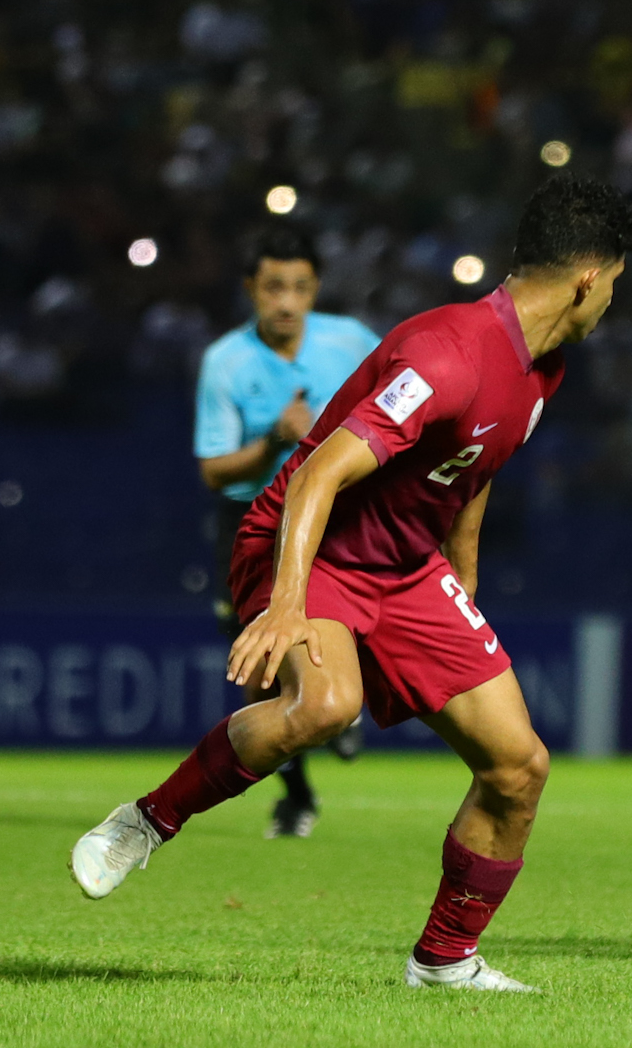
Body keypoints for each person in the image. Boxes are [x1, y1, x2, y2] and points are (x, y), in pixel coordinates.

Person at [72, 175, 632, 991]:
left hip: (409, 569)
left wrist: (464, 588)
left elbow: (472, 476)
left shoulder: (540, 371)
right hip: (307, 542)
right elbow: (315, 478)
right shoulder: (448, 354)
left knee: (519, 766)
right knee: (324, 703)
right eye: (616, 284)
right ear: (589, 276)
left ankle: (446, 959)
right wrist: (285, 602)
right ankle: (145, 820)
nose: (611, 303)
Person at [195, 225, 381, 838]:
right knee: (259, 672)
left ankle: (342, 709)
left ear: (315, 290)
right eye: (274, 287)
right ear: (251, 288)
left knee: (355, 628)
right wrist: (273, 441)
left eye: (299, 288)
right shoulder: (225, 361)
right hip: (253, 523)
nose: (286, 302)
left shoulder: (351, 341)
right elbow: (214, 471)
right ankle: (299, 793)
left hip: (341, 516)